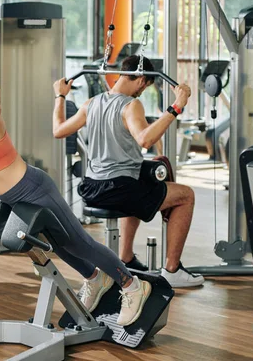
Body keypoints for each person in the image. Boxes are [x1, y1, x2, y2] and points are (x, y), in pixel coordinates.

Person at [0, 52, 151, 327]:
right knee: (59, 245)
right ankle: (96, 279)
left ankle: (132, 285)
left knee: (80, 242)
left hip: (32, 188)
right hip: (8, 196)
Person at [53, 54, 204, 288]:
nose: (141, 93)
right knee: (186, 195)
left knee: (139, 180)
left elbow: (59, 130)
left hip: (91, 187)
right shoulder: (131, 104)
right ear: (141, 80)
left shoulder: (91, 103)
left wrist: (60, 96)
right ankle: (172, 270)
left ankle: (126, 258)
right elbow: (145, 139)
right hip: (117, 189)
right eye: (143, 88)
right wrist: (177, 106)